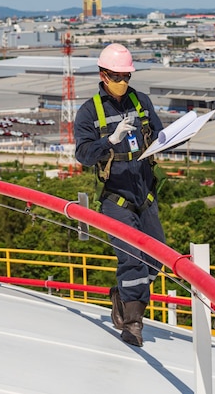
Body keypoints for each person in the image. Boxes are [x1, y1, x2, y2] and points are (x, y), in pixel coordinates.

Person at [74, 43, 166, 347]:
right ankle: (132, 323)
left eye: (127, 75)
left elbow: (158, 133)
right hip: (116, 199)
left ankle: (123, 298)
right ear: (103, 75)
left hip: (145, 196)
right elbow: (84, 155)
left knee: (157, 258)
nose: (123, 82)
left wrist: (173, 139)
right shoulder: (90, 112)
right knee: (132, 261)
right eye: (117, 76)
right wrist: (109, 141)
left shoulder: (141, 102)